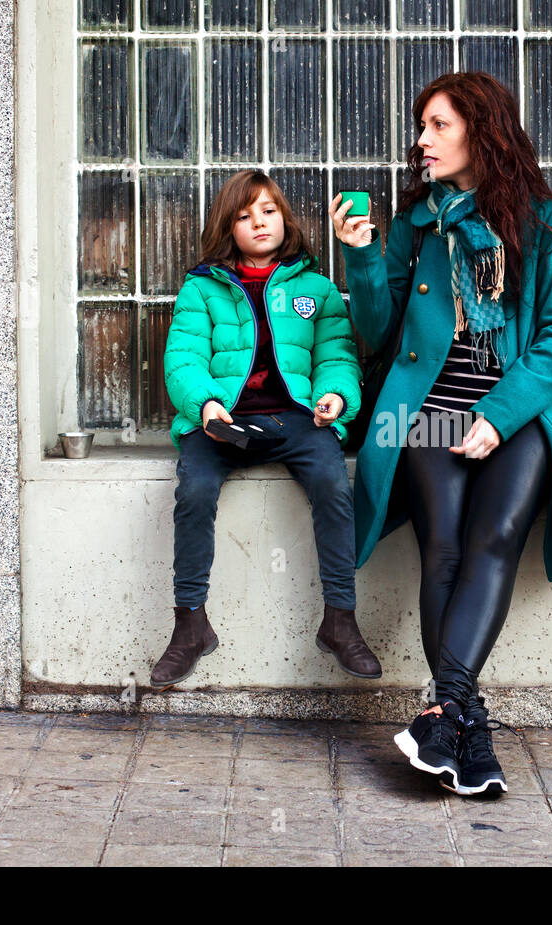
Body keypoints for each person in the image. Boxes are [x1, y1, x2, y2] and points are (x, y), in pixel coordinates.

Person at [330, 72, 552, 796]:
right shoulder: (415, 225)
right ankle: (460, 720)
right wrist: (361, 257)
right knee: (445, 548)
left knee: (493, 542)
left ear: (481, 133)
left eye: (438, 126)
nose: (420, 141)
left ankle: (445, 713)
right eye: (420, 127)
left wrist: (497, 418)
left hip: (518, 413)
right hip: (424, 411)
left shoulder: (546, 224)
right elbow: (378, 332)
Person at [154, 169, 381, 690]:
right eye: (243, 215)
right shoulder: (202, 289)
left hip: (296, 419)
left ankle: (340, 621)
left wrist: (336, 399)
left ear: (285, 218)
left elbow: (337, 356)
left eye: (268, 211)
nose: (258, 222)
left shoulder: (316, 288)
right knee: (194, 490)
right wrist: (206, 405)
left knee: (332, 486)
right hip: (224, 421)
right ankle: (190, 625)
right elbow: (183, 359)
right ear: (227, 228)